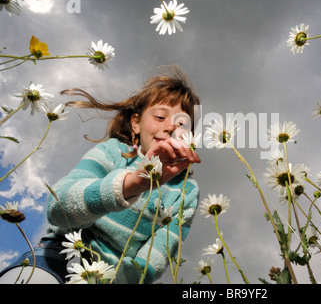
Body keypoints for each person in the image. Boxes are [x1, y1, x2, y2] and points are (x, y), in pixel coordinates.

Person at [0, 65, 201, 284]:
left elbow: (153, 262)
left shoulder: (187, 191)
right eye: (161, 116)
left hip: (110, 277)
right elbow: (58, 208)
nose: (171, 127)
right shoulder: (112, 152)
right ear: (136, 123)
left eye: (182, 123)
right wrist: (131, 184)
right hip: (59, 254)